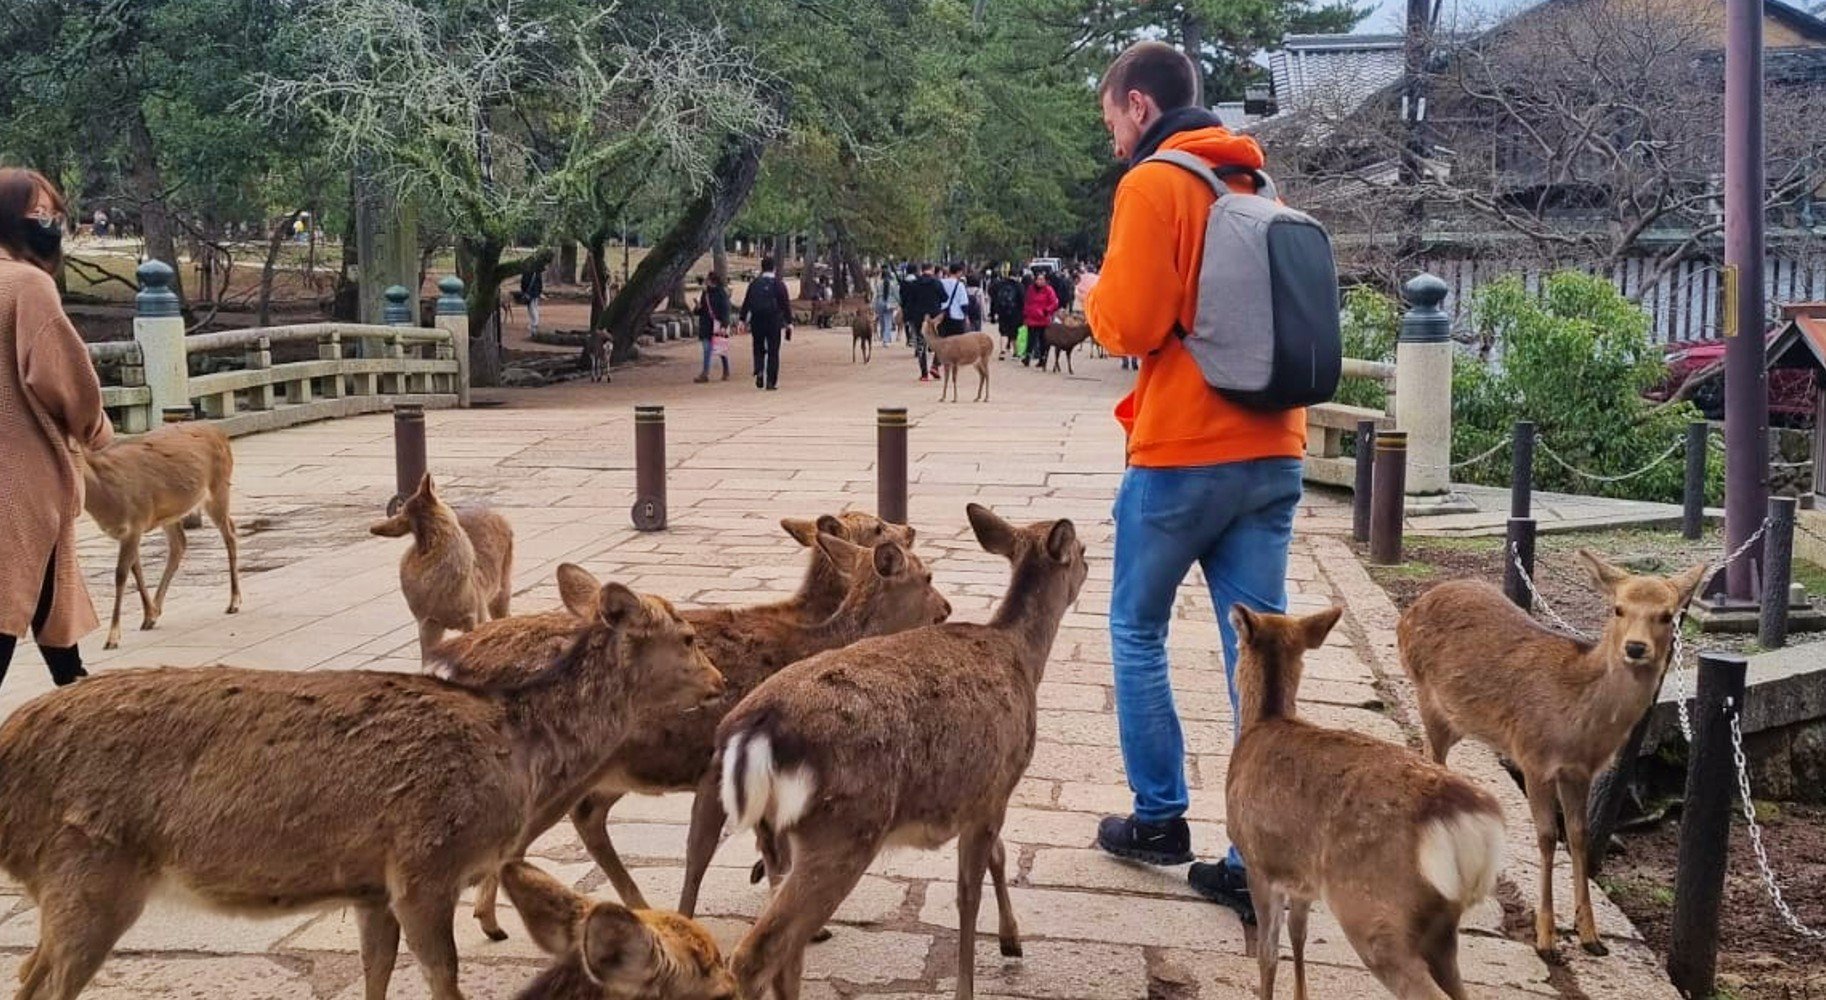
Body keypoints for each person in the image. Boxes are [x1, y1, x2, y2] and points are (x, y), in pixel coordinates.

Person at [1083, 40, 1308, 922]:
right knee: (1254, 651)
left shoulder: (1154, 184)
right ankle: (1254, 857)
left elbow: (1130, 324)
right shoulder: (1258, 185)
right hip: (1275, 451)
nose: (1113, 143)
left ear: (1140, 107)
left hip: (1184, 453)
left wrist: (1096, 293)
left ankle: (1159, 818)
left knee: (1135, 625)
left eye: (1111, 122)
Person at [0, 168, 115, 690]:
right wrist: (95, 431)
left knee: (50, 598)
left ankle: (78, 699)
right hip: (19, 483)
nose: (49, 224)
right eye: (37, 214)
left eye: (53, 213)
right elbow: (66, 381)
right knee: (12, 597)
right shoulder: (27, 286)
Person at [739, 256, 793, 390]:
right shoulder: (779, 284)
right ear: (773, 267)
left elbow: (747, 302)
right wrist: (789, 322)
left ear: (761, 268)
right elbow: (785, 304)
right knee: (773, 351)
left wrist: (742, 319)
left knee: (758, 347)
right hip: (774, 321)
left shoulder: (754, 284)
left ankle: (759, 370)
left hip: (757, 320)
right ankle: (770, 381)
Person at [903, 262, 945, 382]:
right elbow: (944, 297)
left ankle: (924, 373)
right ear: (932, 269)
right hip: (935, 316)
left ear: (921, 270)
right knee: (939, 341)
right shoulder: (937, 282)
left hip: (919, 316)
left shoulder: (915, 283)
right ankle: (935, 366)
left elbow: (910, 300)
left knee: (921, 344)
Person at [693, 272, 732, 383]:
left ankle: (726, 370)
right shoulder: (705, 294)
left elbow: (725, 310)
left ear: (712, 281)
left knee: (720, 349)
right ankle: (705, 373)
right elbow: (701, 310)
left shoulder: (721, 293)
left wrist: (724, 325)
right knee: (706, 349)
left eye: (708, 280)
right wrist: (698, 307)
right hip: (706, 324)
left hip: (717, 324)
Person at [1021, 268, 1059, 368]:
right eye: (1038, 279)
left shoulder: (1049, 290)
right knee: (1030, 339)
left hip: (1043, 319)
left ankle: (1042, 358)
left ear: (1045, 281)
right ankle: (1027, 357)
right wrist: (1025, 314)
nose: (1040, 281)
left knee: (1043, 340)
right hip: (1032, 318)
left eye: (1042, 280)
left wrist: (1047, 310)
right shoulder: (1031, 289)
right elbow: (1027, 302)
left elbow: (1054, 303)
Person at [990, 268, 1024, 360]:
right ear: (1017, 276)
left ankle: (1002, 352)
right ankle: (1016, 353)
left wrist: (995, 311)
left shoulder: (1000, 284)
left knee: (1003, 332)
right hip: (1015, 312)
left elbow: (993, 295)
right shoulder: (1019, 286)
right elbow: (1023, 299)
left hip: (1002, 312)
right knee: (1014, 334)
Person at [936, 262, 969, 339]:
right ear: (958, 272)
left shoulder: (941, 282)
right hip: (957, 317)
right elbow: (963, 303)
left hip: (942, 317)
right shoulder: (960, 285)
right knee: (958, 342)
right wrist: (966, 316)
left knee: (943, 342)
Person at [873, 264, 901, 346]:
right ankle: (886, 339)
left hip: (880, 302)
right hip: (890, 303)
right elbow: (896, 294)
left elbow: (875, 294)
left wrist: (873, 305)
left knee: (882, 321)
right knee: (888, 321)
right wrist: (900, 302)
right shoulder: (893, 283)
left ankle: (883, 336)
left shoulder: (878, 283)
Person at [519, 265, 545, 338]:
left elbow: (523, 283)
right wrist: (539, 292)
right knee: (533, 307)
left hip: (529, 293)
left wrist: (523, 292)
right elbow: (540, 284)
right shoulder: (537, 273)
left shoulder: (527, 273)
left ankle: (534, 323)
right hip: (535, 293)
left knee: (532, 308)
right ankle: (534, 323)